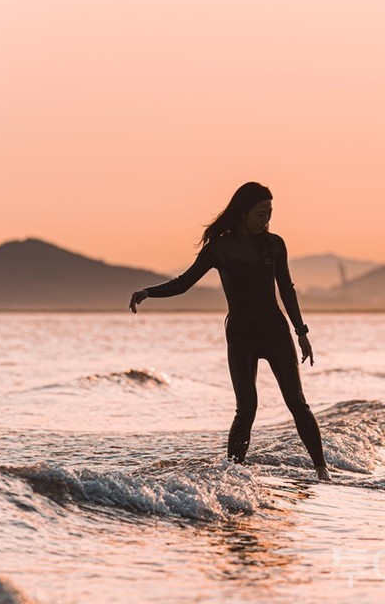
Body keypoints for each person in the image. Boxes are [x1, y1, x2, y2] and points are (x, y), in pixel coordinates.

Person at [129, 182, 331, 481]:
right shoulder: (221, 248)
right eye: (261, 213)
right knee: (246, 407)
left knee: (296, 402)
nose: (267, 220)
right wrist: (148, 292)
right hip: (241, 335)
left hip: (275, 331)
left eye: (270, 213)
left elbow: (286, 288)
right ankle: (234, 474)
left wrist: (301, 332)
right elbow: (184, 282)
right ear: (243, 213)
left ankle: (322, 470)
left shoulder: (274, 245)